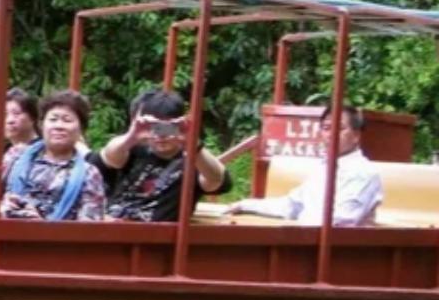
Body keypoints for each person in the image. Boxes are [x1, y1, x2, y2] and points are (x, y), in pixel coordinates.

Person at [226, 105, 384, 226]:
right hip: (306, 243)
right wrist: (245, 205)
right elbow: (292, 205)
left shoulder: (363, 173)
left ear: (356, 136)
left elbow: (341, 220)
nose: (331, 134)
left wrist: (295, 231)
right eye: (326, 128)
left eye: (340, 128)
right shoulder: (324, 168)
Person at [92, 89, 230, 222]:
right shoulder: (132, 150)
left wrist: (193, 144)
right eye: (154, 126)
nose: (161, 135)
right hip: (113, 228)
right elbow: (108, 157)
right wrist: (132, 136)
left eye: (168, 126)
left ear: (180, 123)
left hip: (159, 238)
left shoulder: (196, 161)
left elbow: (216, 179)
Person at [1, 90, 105, 221]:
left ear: (81, 129)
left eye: (67, 120)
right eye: (53, 119)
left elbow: (88, 230)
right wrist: (3, 207)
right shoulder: (16, 155)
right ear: (41, 125)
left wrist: (41, 225)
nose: (58, 126)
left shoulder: (89, 174)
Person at [1, 87, 41, 177]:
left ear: (32, 118)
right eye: (5, 114)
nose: (10, 120)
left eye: (16, 113)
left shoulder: (44, 150)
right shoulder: (4, 151)